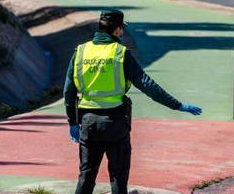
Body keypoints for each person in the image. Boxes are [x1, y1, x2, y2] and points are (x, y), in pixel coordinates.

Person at [64, 10, 202, 194]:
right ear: (115, 30)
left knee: (86, 177)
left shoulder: (80, 52)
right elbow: (147, 84)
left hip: (88, 124)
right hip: (115, 124)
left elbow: (68, 91)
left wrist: (72, 122)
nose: (122, 33)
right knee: (118, 179)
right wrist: (177, 105)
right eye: (121, 29)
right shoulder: (120, 54)